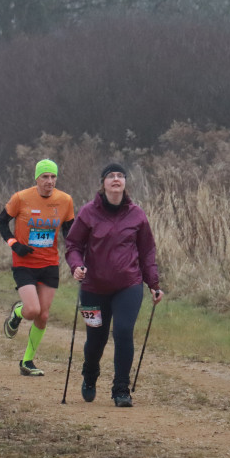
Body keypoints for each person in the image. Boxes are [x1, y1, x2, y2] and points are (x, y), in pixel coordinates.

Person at [65, 163, 163, 407]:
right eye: (111, 176)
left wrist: (153, 283)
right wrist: (76, 266)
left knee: (123, 331)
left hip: (128, 285)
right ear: (104, 183)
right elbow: (73, 245)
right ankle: (90, 374)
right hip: (92, 288)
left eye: (120, 175)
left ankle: (121, 389)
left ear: (125, 182)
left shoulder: (137, 215)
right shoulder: (88, 212)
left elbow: (147, 251)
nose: (116, 179)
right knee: (95, 339)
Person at [0, 159, 75, 377]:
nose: (50, 181)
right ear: (37, 178)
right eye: (45, 177)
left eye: (53, 176)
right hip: (25, 263)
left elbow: (69, 231)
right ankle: (17, 312)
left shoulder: (65, 200)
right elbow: (1, 222)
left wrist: (77, 253)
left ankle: (27, 361)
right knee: (32, 310)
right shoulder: (21, 198)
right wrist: (14, 244)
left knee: (44, 315)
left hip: (50, 263)